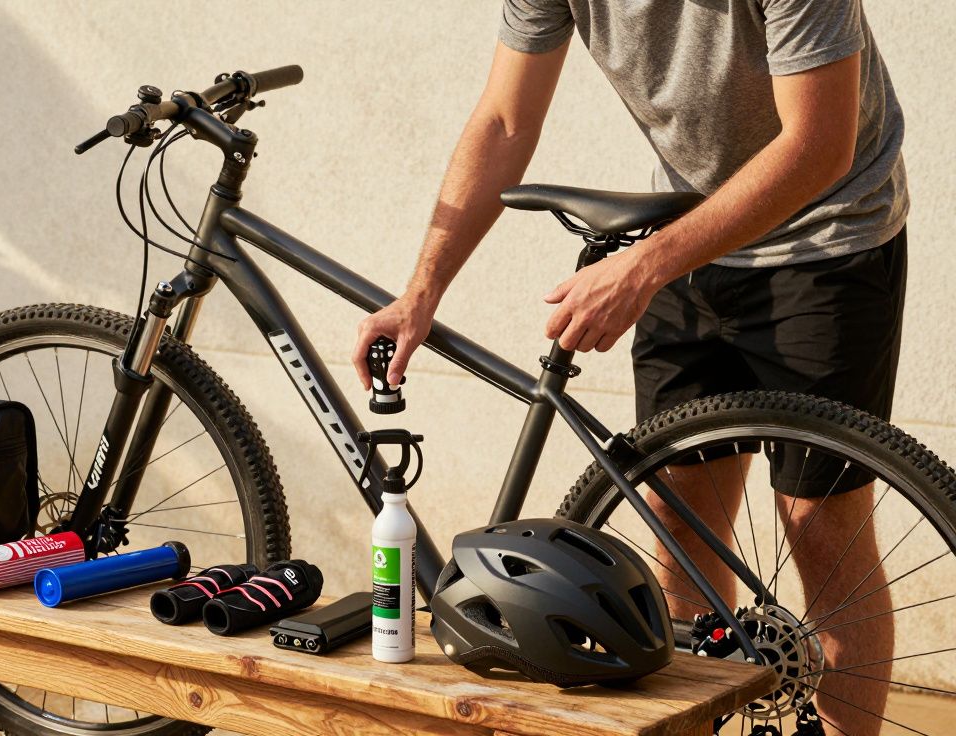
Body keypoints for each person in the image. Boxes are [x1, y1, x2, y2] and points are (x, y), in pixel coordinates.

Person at [351, 2, 906, 733]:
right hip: (691, 233)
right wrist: (420, 292)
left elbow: (819, 145)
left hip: (827, 240)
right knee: (677, 509)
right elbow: (506, 120)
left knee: (821, 529)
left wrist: (643, 266)